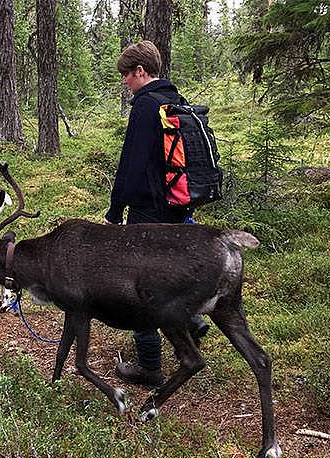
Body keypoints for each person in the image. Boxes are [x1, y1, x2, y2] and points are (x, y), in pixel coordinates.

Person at [105, 40, 209, 388]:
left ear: (140, 71)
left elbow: (131, 165)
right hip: (179, 206)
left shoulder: (146, 107)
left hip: (148, 210)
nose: (124, 82)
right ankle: (192, 321)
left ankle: (150, 366)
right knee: (169, 274)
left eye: (126, 75)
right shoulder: (176, 101)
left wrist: (115, 211)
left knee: (139, 285)